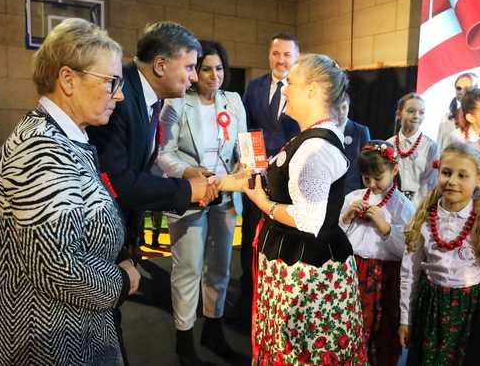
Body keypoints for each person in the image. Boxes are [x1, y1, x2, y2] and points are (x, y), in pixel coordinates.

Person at [0, 18, 141, 365]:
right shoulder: (41, 151)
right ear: (67, 79)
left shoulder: (62, 138)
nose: (119, 95)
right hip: (43, 341)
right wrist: (122, 280)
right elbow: (59, 266)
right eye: (111, 82)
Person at [86, 21, 216, 364]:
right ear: (160, 65)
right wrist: (188, 189)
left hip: (117, 235)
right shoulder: (123, 98)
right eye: (189, 67)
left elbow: (140, 169)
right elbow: (122, 182)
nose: (193, 77)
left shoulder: (153, 101)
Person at [242, 54, 367, 365]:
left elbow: (309, 219)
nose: (284, 90)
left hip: (306, 270)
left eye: (291, 84)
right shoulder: (308, 138)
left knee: (302, 351)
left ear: (312, 91)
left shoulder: (315, 148)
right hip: (292, 262)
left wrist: (263, 204)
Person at [157, 40, 246, 365]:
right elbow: (163, 156)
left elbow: (245, 149)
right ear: (195, 72)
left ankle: (214, 329)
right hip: (189, 198)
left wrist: (241, 170)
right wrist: (194, 172)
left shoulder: (234, 102)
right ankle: (184, 341)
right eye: (206, 68)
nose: (214, 75)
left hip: (225, 197)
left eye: (219, 68)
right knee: (188, 269)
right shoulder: (177, 103)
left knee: (220, 269)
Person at [399, 142, 480, 366]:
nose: (452, 181)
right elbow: (410, 272)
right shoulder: (425, 220)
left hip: (472, 313)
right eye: (446, 173)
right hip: (431, 309)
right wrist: (406, 319)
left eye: (462, 175)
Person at [239, 33, 301, 318]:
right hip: (259, 176)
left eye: (287, 55)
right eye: (276, 54)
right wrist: (255, 169)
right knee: (252, 233)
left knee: (282, 237)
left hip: (291, 181)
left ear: (296, 58)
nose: (281, 60)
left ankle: (277, 297)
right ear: (269, 55)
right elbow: (249, 130)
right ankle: (247, 293)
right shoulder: (253, 87)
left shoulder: (303, 89)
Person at [339, 140, 414, 366]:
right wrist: (346, 219)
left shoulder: (402, 206)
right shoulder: (353, 198)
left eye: (378, 178)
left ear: (395, 170)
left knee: (382, 329)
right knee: (351, 326)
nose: (371, 184)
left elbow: (409, 251)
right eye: (366, 178)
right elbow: (336, 239)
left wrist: (387, 229)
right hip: (352, 271)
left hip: (385, 276)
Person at [387, 92, 439, 206]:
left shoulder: (431, 146)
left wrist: (413, 207)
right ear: (399, 114)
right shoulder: (389, 144)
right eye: (411, 111)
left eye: (421, 112)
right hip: (392, 204)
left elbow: (430, 183)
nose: (416, 116)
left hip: (419, 206)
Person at [336, 92, 371, 194]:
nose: (340, 112)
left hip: (353, 191)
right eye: (336, 108)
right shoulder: (324, 130)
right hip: (329, 191)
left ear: (349, 107)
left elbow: (367, 165)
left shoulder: (361, 131)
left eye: (344, 107)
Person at [437, 72, 477, 149]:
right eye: (459, 88)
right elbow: (440, 148)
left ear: (477, 89)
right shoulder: (447, 118)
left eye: (467, 88)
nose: (462, 91)